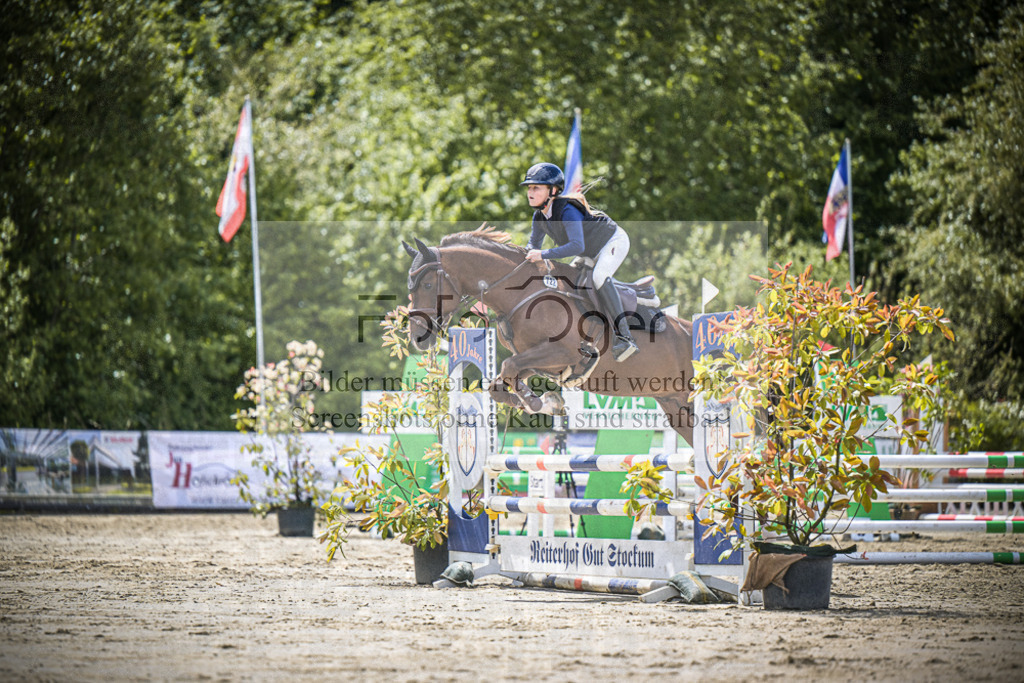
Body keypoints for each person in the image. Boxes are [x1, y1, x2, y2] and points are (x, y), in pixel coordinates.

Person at [520, 162, 638, 361]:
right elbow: (533, 245)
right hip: (589, 251)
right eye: (529, 188)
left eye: (536, 188)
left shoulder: (567, 210)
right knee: (569, 279)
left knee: (599, 276)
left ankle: (625, 336)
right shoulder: (539, 216)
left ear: (553, 190)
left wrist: (543, 254)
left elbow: (577, 246)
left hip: (612, 241)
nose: (530, 192)